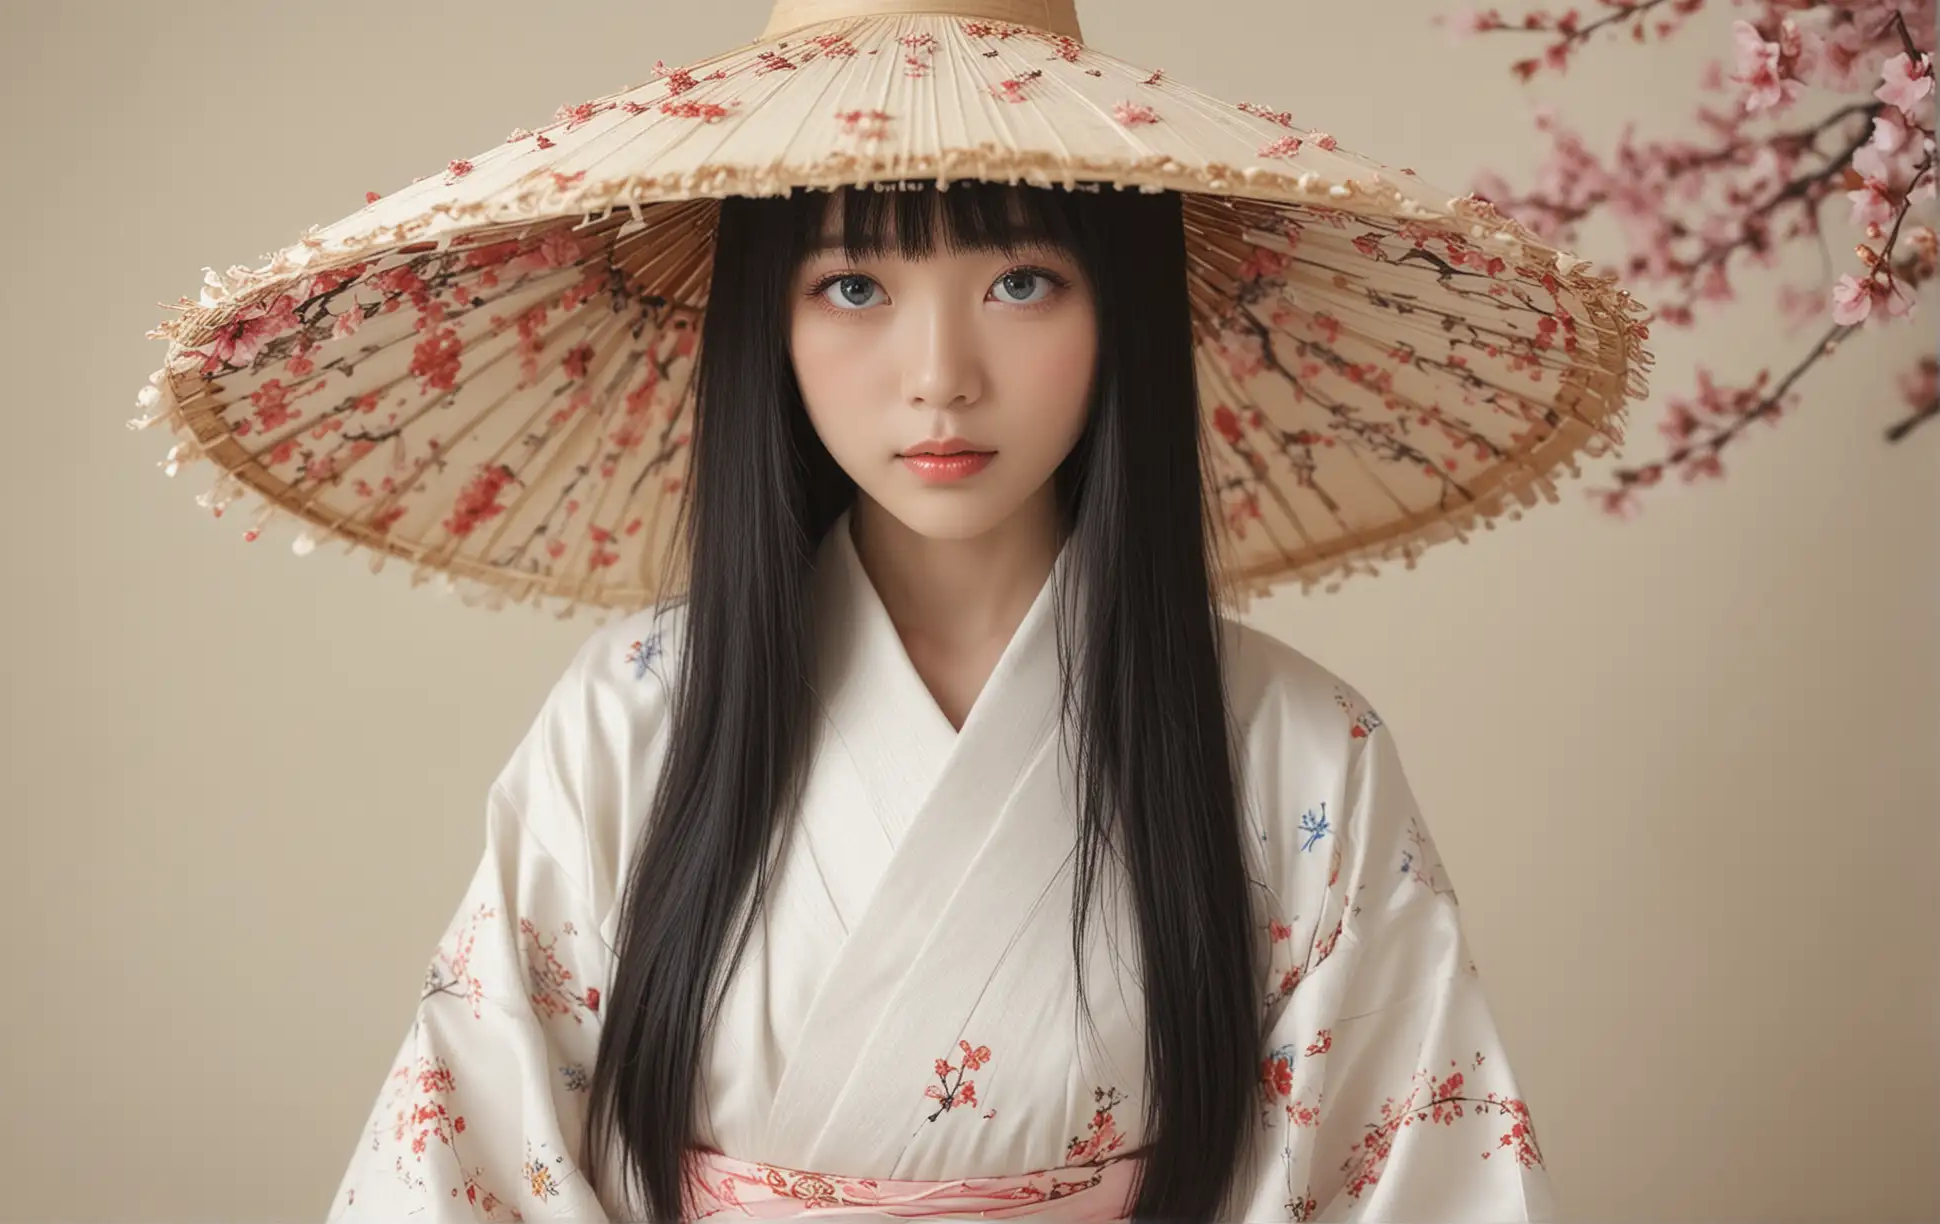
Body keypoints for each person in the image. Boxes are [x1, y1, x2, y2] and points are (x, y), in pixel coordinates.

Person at [323, 178, 1559, 1223]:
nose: (940, 378)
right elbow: (468, 1155)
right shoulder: (634, 715)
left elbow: (1407, 1175)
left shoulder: (1292, 744)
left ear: (1119, 308)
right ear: (772, 323)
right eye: (854, 287)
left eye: (1021, 281)